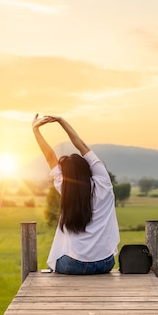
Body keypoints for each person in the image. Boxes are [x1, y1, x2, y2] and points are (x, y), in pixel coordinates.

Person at [32, 114, 120, 274]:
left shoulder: (65, 188)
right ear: (86, 168)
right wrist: (61, 121)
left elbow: (50, 157)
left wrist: (35, 129)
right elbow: (81, 145)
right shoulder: (103, 183)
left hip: (73, 266)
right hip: (106, 263)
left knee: (55, 261)